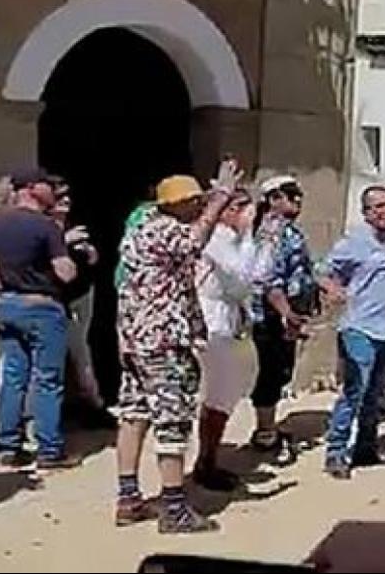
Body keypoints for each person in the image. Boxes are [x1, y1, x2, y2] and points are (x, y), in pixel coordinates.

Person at [114, 160, 241, 534]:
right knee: (172, 421)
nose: (199, 208)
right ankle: (173, 507)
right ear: (178, 204)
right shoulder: (165, 230)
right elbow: (194, 241)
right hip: (164, 340)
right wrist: (222, 197)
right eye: (195, 202)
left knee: (135, 414)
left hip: (139, 338)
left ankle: (128, 497)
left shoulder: (139, 231)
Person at [0, 168, 81, 469]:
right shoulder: (45, 227)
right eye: (47, 185)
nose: (53, 191)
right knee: (47, 379)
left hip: (6, 304)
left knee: (13, 375)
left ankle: (9, 446)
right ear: (31, 189)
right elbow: (65, 271)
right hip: (42, 307)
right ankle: (49, 450)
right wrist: (69, 253)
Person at [321, 186, 385, 479]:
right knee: (354, 391)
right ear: (367, 213)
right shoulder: (354, 242)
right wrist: (333, 288)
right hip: (359, 327)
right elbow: (321, 269)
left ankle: (366, 448)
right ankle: (336, 451)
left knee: (376, 393)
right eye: (379, 207)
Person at [194, 189, 259, 491]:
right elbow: (243, 273)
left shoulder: (229, 240)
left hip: (228, 318)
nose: (244, 213)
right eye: (237, 208)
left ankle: (209, 456)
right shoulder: (217, 239)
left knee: (226, 392)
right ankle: (205, 461)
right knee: (217, 394)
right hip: (212, 321)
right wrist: (248, 237)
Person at [248, 175, 317, 459]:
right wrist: (287, 313)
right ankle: (265, 433)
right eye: (290, 194)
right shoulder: (272, 232)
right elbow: (268, 279)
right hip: (271, 316)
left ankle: (269, 427)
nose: (298, 200)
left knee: (281, 369)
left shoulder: (289, 231)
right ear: (273, 199)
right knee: (271, 370)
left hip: (285, 313)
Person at [48, 182, 104, 421]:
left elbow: (91, 260)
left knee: (81, 351)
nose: (66, 201)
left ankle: (93, 404)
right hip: (54, 299)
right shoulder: (43, 228)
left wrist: (90, 253)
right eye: (60, 197)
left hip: (80, 296)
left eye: (68, 197)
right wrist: (65, 241)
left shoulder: (73, 225)